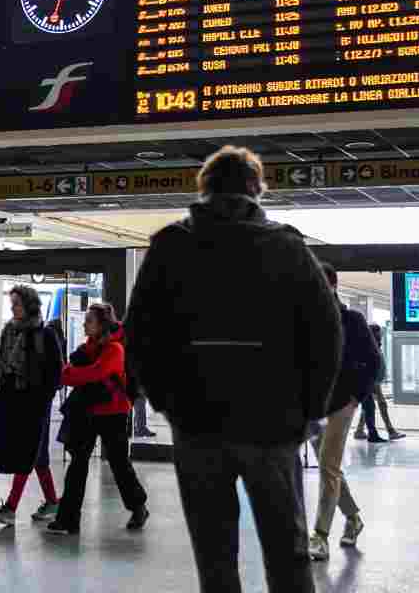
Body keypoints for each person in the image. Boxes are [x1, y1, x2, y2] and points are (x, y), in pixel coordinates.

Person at [123, 145, 342, 593]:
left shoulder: (171, 246)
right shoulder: (286, 246)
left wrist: (168, 402)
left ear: (203, 188)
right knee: (288, 554)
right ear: (257, 190)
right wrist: (310, 410)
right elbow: (326, 333)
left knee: (215, 556)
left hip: (198, 425)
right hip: (274, 424)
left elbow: (141, 333)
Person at [46, 303, 149, 536]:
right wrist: (72, 374)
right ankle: (68, 520)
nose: (84, 324)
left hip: (114, 412)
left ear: (102, 325)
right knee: (78, 464)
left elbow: (93, 373)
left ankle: (138, 507)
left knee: (118, 463)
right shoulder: (86, 349)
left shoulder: (115, 350)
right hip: (89, 411)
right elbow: (73, 375)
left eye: (89, 320)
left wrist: (72, 374)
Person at [308, 263, 382, 562]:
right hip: (314, 405)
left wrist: (356, 397)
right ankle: (353, 519)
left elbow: (374, 362)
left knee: (327, 464)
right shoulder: (306, 322)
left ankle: (320, 535)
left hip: (342, 403)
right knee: (331, 468)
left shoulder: (352, 320)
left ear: (334, 285)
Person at [0, 285, 64, 526]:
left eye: (17, 303)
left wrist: (43, 398)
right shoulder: (8, 330)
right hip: (12, 399)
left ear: (29, 305)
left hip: (35, 402)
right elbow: (2, 364)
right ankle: (53, 502)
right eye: (12, 303)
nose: (13, 308)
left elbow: (56, 372)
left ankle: (11, 507)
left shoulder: (45, 334)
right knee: (37, 456)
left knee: (27, 454)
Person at [354, 323, 405, 442]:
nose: (380, 337)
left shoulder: (373, 345)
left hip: (373, 380)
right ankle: (389, 430)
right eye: (377, 334)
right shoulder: (368, 347)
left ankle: (360, 430)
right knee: (379, 404)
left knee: (368, 406)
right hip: (371, 381)